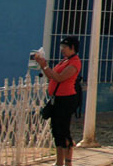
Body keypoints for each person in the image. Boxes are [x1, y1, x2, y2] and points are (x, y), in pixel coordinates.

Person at [34, 36, 81, 166]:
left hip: (66, 99)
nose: (62, 50)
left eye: (65, 47)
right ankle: (58, 160)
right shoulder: (64, 61)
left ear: (72, 48)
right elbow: (51, 76)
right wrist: (42, 66)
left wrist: (45, 66)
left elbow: (59, 78)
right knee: (56, 130)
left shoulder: (75, 62)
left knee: (63, 130)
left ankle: (68, 161)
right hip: (57, 98)